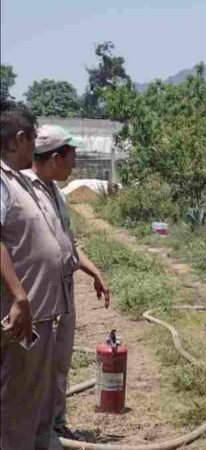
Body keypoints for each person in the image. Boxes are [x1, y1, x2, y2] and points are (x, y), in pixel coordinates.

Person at [23, 125, 111, 441]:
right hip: (36, 296)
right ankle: (32, 431)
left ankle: (55, 425)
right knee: (34, 368)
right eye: (72, 156)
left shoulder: (56, 193)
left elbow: (66, 241)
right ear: (56, 157)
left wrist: (93, 271)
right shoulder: (23, 191)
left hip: (63, 292)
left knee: (60, 361)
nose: (75, 163)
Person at [0, 102, 59, 449]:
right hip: (18, 313)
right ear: (17, 140)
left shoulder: (17, 180)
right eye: (32, 139)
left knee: (28, 396)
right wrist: (20, 296)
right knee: (17, 402)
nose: (35, 147)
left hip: (33, 312)